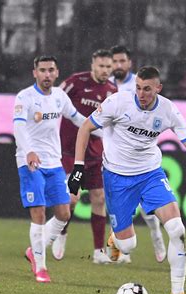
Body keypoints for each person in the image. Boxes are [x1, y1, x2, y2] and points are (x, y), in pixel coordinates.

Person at [68, 66, 186, 294]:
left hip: (150, 174)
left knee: (177, 229)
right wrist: (78, 168)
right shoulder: (118, 102)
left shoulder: (168, 110)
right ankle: (114, 238)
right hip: (117, 178)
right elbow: (85, 129)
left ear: (158, 88)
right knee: (128, 246)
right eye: (139, 88)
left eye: (147, 89)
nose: (141, 94)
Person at [13, 55, 88, 283]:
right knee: (39, 213)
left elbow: (79, 120)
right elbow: (18, 126)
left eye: (51, 70)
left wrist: (107, 133)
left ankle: (34, 250)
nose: (47, 74)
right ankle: (41, 268)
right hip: (30, 163)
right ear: (35, 73)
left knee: (64, 213)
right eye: (42, 70)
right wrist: (28, 151)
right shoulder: (24, 97)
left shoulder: (59, 96)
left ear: (57, 73)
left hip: (54, 163)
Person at [106, 45, 166, 264]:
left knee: (148, 211)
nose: (118, 65)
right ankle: (122, 249)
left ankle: (156, 235)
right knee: (120, 207)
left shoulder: (139, 85)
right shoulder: (107, 85)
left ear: (129, 63)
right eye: (115, 62)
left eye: (122, 61)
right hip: (115, 154)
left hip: (140, 156)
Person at [56, 49, 116, 264]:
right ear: (93, 65)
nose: (105, 70)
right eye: (101, 66)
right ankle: (62, 233)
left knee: (99, 198)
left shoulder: (112, 90)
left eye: (108, 67)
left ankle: (99, 251)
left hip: (95, 153)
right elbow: (56, 99)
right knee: (72, 198)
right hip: (70, 152)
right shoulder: (76, 82)